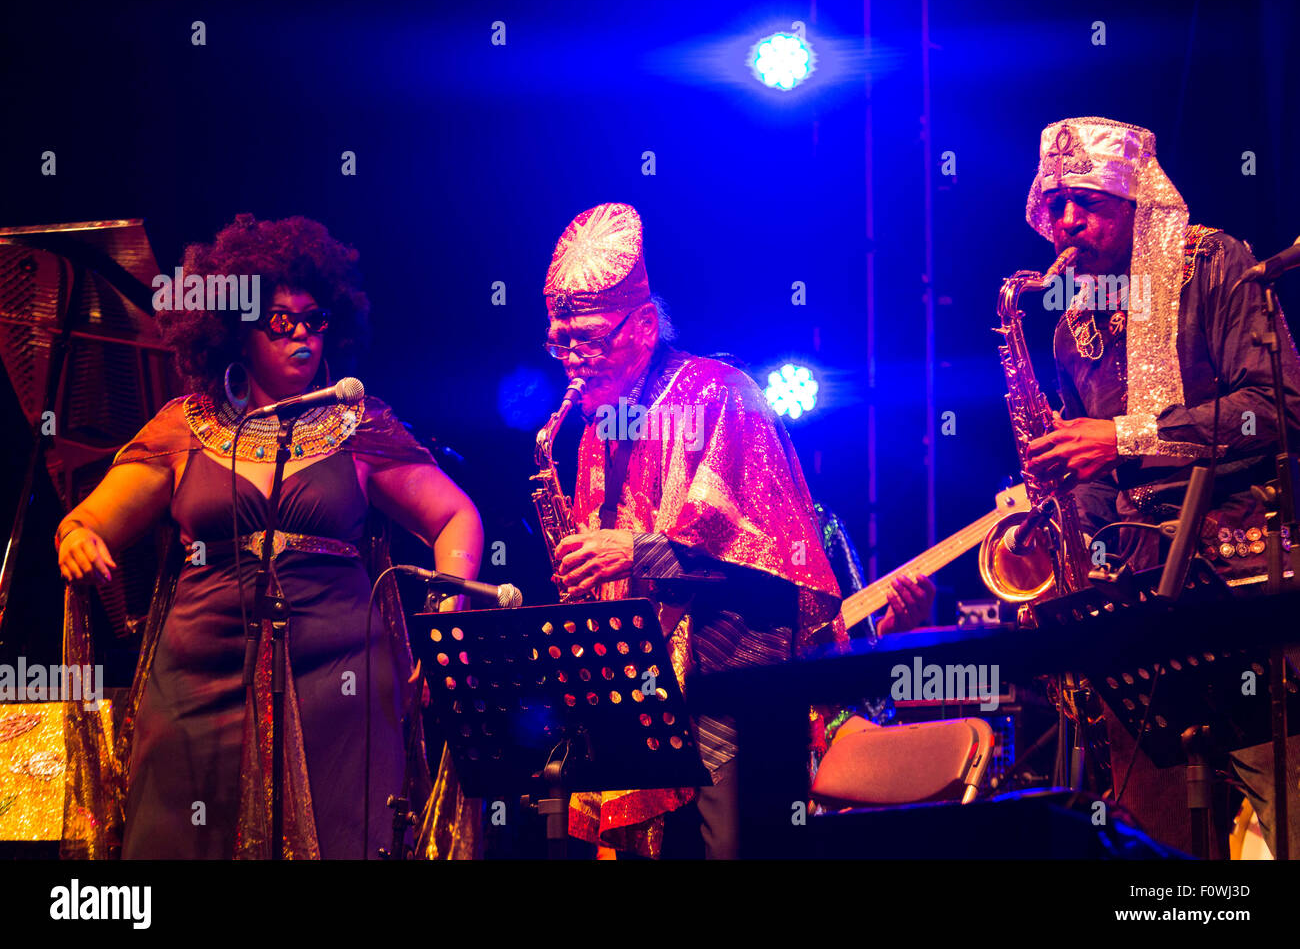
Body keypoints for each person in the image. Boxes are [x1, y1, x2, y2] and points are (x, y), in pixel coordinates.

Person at [55, 214, 484, 859]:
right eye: (281, 322)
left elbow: (456, 517)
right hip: (198, 673)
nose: (304, 336)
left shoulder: (358, 422)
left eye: (316, 320)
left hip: (341, 675)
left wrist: (449, 606)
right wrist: (79, 541)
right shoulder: (185, 426)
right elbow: (86, 520)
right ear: (236, 330)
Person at [542, 202, 931, 858]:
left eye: (590, 341)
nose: (574, 361)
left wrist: (636, 552)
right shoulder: (589, 434)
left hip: (733, 696)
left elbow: (775, 572)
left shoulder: (720, 393)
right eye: (561, 343)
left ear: (642, 327)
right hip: (640, 696)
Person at [1019, 117, 1300, 855]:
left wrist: (1121, 436)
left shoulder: (1213, 261)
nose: (1067, 220)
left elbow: (1277, 409)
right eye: (1054, 204)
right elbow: (1100, 484)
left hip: (1244, 582)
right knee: (1154, 850)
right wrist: (1057, 542)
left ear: (1137, 198)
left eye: (1088, 199)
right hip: (1141, 607)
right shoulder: (1065, 326)